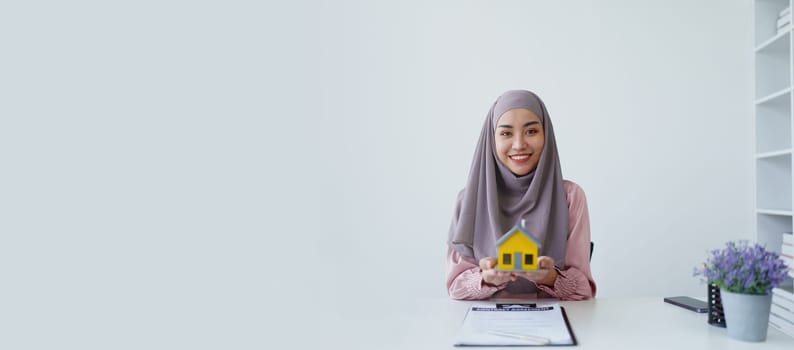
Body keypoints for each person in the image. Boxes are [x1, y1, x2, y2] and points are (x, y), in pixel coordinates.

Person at [446, 90, 596, 300]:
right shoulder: (469, 200)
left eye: (531, 131)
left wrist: (549, 277)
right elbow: (455, 286)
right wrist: (487, 279)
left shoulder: (569, 197)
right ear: (492, 139)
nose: (519, 144)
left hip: (553, 326)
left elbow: (584, 290)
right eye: (506, 133)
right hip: (486, 326)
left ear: (546, 135)